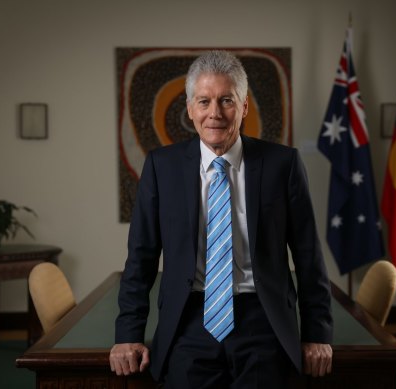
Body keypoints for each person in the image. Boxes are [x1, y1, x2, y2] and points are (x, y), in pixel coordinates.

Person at [110, 50, 333, 388]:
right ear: (189, 108)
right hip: (189, 320)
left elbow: (308, 257)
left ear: (243, 107)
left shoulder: (282, 164)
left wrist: (317, 333)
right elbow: (140, 257)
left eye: (226, 100)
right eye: (204, 101)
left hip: (263, 319)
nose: (214, 113)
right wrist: (128, 333)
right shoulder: (161, 167)